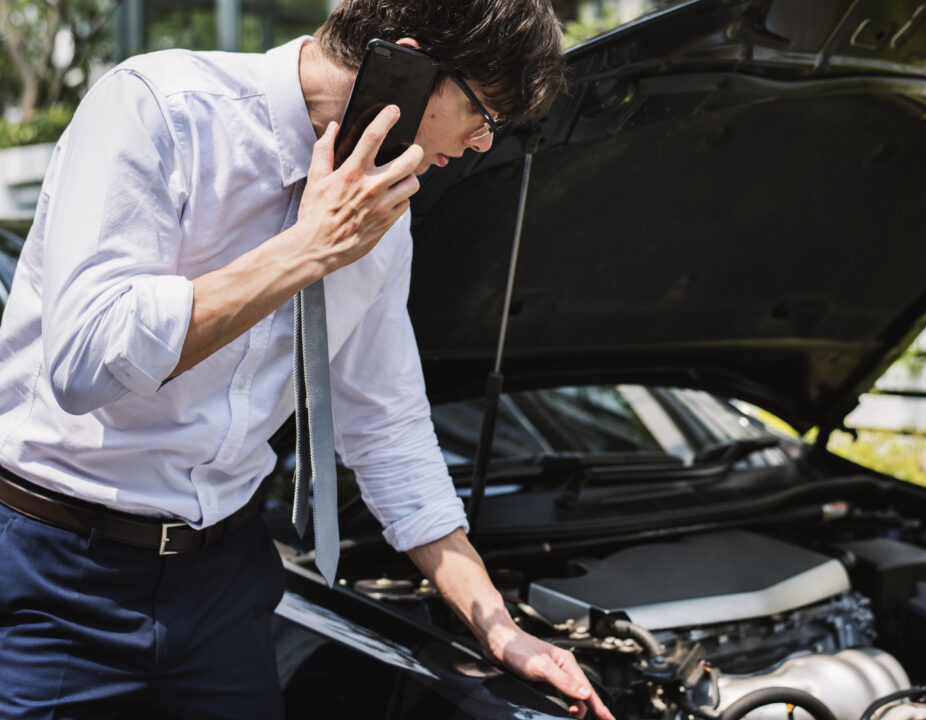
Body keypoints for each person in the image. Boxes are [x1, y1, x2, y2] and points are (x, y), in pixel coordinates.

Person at [0, 1, 615, 719]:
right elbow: (85, 362)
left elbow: (389, 431)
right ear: (410, 66)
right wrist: (306, 249)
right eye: (484, 113)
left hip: (225, 582)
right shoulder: (158, 108)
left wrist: (497, 624)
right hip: (54, 575)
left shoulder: (384, 215)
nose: (483, 143)